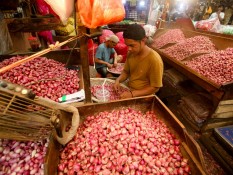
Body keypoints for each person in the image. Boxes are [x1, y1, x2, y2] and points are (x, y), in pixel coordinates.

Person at [114, 24, 163, 99]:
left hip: (143, 97)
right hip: (129, 90)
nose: (129, 49)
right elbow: (126, 72)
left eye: (132, 45)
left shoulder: (155, 60)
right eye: (127, 45)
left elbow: (155, 87)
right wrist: (118, 80)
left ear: (143, 40)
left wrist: (132, 94)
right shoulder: (131, 53)